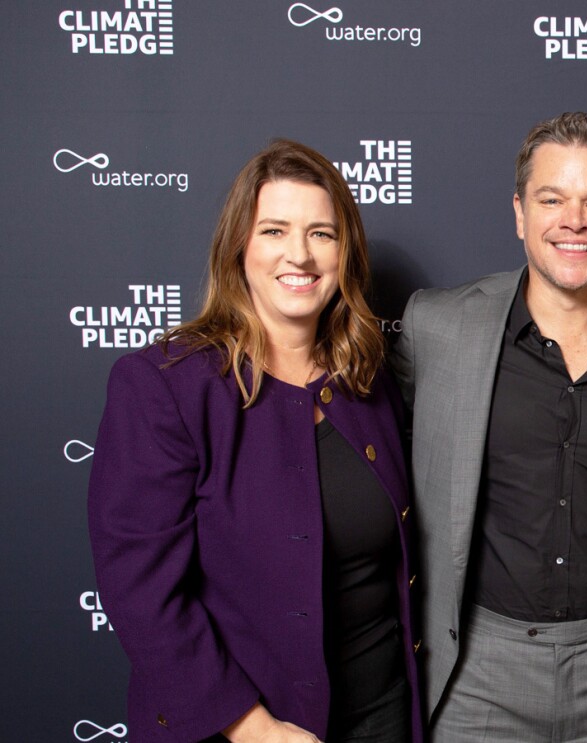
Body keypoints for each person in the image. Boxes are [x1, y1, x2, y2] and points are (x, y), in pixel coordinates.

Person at [87, 140, 422, 743]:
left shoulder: (367, 380)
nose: (300, 254)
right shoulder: (166, 386)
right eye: (274, 230)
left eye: (322, 233)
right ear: (239, 247)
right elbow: (142, 590)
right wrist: (252, 727)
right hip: (247, 727)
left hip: (384, 714)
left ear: (346, 253)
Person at [392, 112, 587, 741]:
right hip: (479, 673)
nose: (574, 221)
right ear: (519, 213)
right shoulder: (436, 328)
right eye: (551, 199)